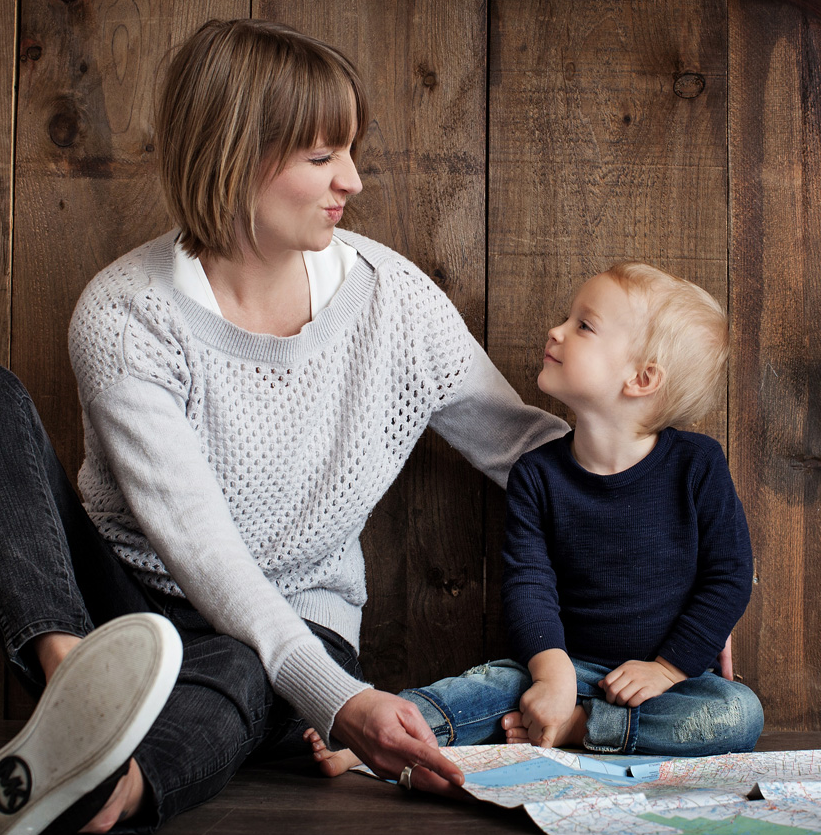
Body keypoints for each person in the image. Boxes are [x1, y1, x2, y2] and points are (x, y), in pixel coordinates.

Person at [0, 18, 567, 835]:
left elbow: (524, 449)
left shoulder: (392, 301)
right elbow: (199, 546)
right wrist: (340, 706)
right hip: (120, 609)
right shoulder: (126, 314)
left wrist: (673, 547)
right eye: (322, 156)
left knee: (239, 665)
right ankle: (76, 687)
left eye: (349, 152)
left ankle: (111, 786)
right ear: (236, 153)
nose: (354, 181)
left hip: (293, 625)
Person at [307, 261, 763, 781]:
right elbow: (529, 584)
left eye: (583, 326)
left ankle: (581, 728)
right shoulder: (538, 474)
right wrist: (551, 672)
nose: (557, 330)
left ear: (642, 379)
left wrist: (668, 668)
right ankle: (381, 734)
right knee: (487, 686)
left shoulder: (697, 465)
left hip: (664, 685)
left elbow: (728, 576)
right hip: (562, 664)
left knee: (737, 712)